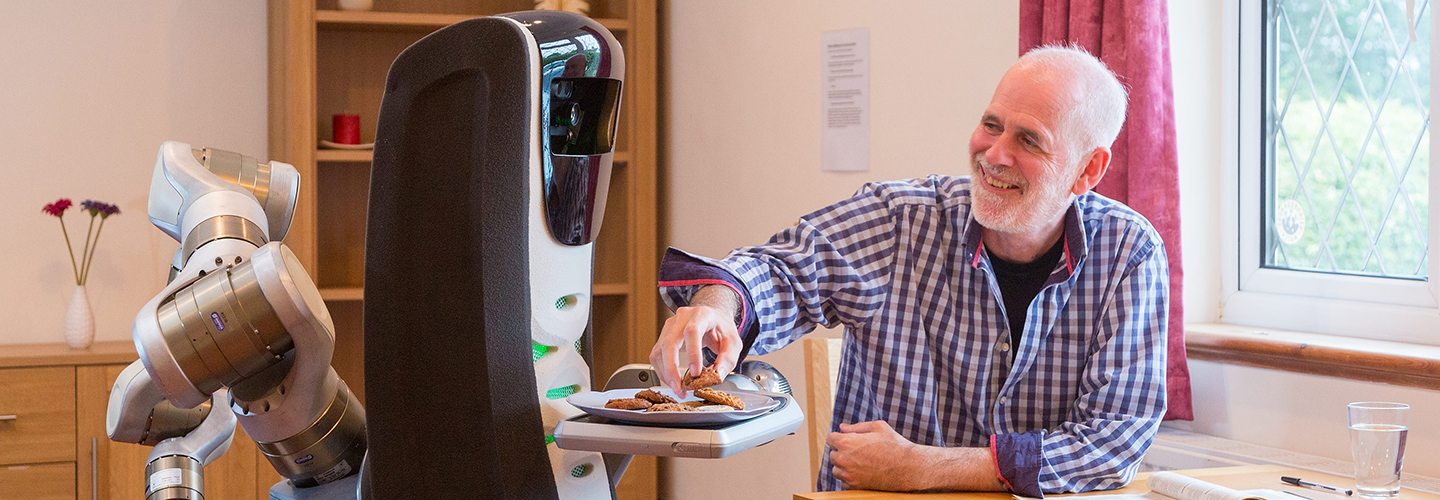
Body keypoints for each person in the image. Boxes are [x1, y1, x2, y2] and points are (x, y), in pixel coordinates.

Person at [649, 45, 1168, 497]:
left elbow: (1111, 441)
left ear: (1088, 170)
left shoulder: (1128, 252)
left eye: (1029, 141)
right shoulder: (901, 219)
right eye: (991, 124)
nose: (994, 154)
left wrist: (923, 467)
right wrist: (717, 305)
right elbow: (777, 270)